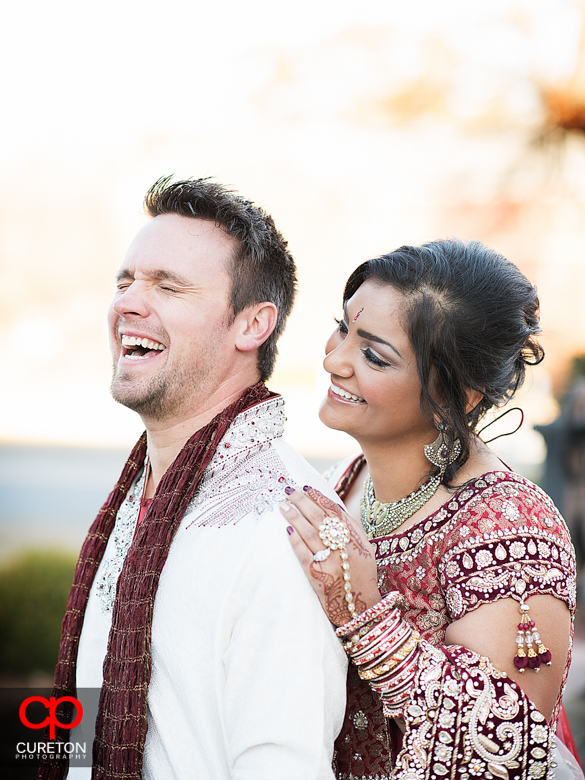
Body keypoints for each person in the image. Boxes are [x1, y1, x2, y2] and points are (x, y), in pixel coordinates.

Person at [39, 177, 347, 780]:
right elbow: (84, 710)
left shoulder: (286, 525)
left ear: (252, 324)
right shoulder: (132, 498)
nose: (127, 303)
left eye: (168, 286)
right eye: (125, 281)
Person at [281, 239, 582, 780]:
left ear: (458, 394)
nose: (333, 359)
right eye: (343, 327)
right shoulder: (343, 482)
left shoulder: (507, 525)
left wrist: (366, 618)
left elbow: (509, 749)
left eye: (374, 355)